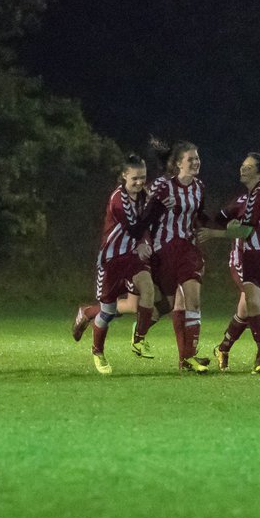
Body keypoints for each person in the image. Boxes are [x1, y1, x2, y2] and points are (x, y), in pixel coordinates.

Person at [71, 154, 167, 374]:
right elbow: (135, 227)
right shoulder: (118, 199)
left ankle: (139, 339)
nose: (140, 182)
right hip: (112, 261)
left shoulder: (143, 195)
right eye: (135, 178)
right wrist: (157, 211)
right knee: (107, 312)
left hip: (132, 258)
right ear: (124, 176)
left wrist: (145, 242)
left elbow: (146, 225)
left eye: (143, 177)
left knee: (148, 290)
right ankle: (97, 349)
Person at [204, 153, 260, 373]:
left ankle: (256, 355)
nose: (243, 169)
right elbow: (223, 217)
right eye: (242, 165)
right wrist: (226, 226)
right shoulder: (249, 198)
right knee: (250, 306)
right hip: (245, 257)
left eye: (248, 166)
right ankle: (256, 355)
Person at [146, 138, 212, 372]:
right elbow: (145, 214)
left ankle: (189, 357)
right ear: (178, 164)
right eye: (190, 159)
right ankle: (99, 315)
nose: (196, 162)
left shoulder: (199, 187)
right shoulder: (163, 186)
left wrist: (212, 226)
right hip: (162, 250)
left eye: (197, 158)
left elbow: (200, 213)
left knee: (192, 299)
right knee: (169, 304)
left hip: (187, 248)